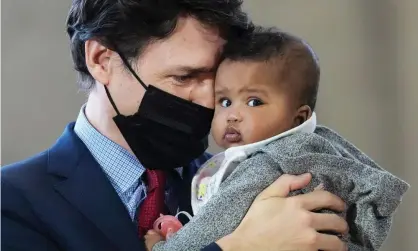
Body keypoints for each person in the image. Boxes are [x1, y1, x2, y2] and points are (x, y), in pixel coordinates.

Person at [1, 1, 349, 251]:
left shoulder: (237, 181)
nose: (207, 99)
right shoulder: (14, 201)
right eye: (184, 77)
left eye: (216, 81)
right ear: (102, 60)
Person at [144, 28, 409, 251]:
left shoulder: (268, 167)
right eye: (224, 101)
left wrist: (167, 248)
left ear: (298, 117)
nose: (232, 115)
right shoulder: (315, 149)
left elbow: (215, 223)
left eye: (254, 101)